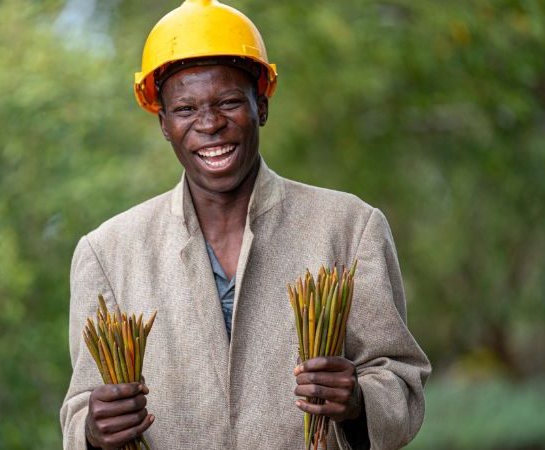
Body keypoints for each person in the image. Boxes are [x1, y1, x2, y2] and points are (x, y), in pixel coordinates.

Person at [60, 1, 431, 449]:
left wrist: (357, 400)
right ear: (163, 123)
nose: (210, 123)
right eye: (185, 109)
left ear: (262, 106)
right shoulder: (108, 252)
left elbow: (401, 384)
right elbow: (80, 410)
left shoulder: (350, 227)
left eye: (229, 102)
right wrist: (91, 432)